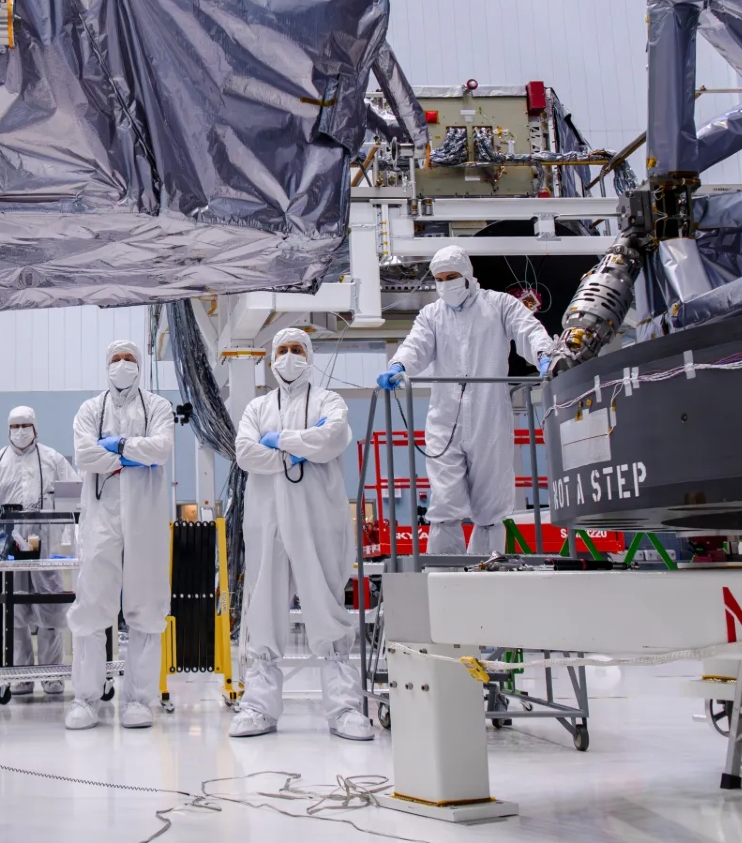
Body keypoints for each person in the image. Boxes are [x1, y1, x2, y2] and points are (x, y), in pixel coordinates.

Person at [228, 329, 372, 741]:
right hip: (267, 520)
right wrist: (301, 448)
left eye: (297, 350)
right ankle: (258, 706)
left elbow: (332, 439)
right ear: (271, 358)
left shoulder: (330, 400)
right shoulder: (257, 407)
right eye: (282, 350)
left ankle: (343, 708)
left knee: (326, 604)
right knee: (265, 608)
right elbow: (245, 452)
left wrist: (282, 444)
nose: (289, 357)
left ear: (309, 356)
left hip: (316, 518)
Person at [377, 243, 555, 556]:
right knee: (445, 501)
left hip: (490, 417)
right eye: (440, 278)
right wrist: (399, 365)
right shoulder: (432, 315)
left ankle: (485, 572)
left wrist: (544, 355)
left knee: (491, 505)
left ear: (468, 275)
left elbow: (528, 329)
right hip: (445, 420)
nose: (446, 283)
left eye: (452, 276)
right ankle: (444, 577)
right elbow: (416, 345)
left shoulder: (499, 305)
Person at [66, 340, 176, 731]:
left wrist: (117, 448)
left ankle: (139, 701)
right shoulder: (89, 410)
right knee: (93, 604)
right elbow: (84, 455)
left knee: (146, 607)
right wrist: (135, 456)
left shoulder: (158, 407)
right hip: (100, 517)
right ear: (106, 365)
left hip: (144, 518)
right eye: (116, 359)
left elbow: (162, 449)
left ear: (140, 365)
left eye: (129, 359)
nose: (123, 365)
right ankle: (85, 699)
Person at [0, 406, 78, 698]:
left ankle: (52, 675)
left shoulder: (53, 459)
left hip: (46, 542)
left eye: (25, 425)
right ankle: (21, 676)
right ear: (8, 429)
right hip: (11, 542)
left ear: (35, 427)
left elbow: (73, 493)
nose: (20, 431)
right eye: (15, 425)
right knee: (15, 612)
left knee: (51, 611)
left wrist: (71, 533)